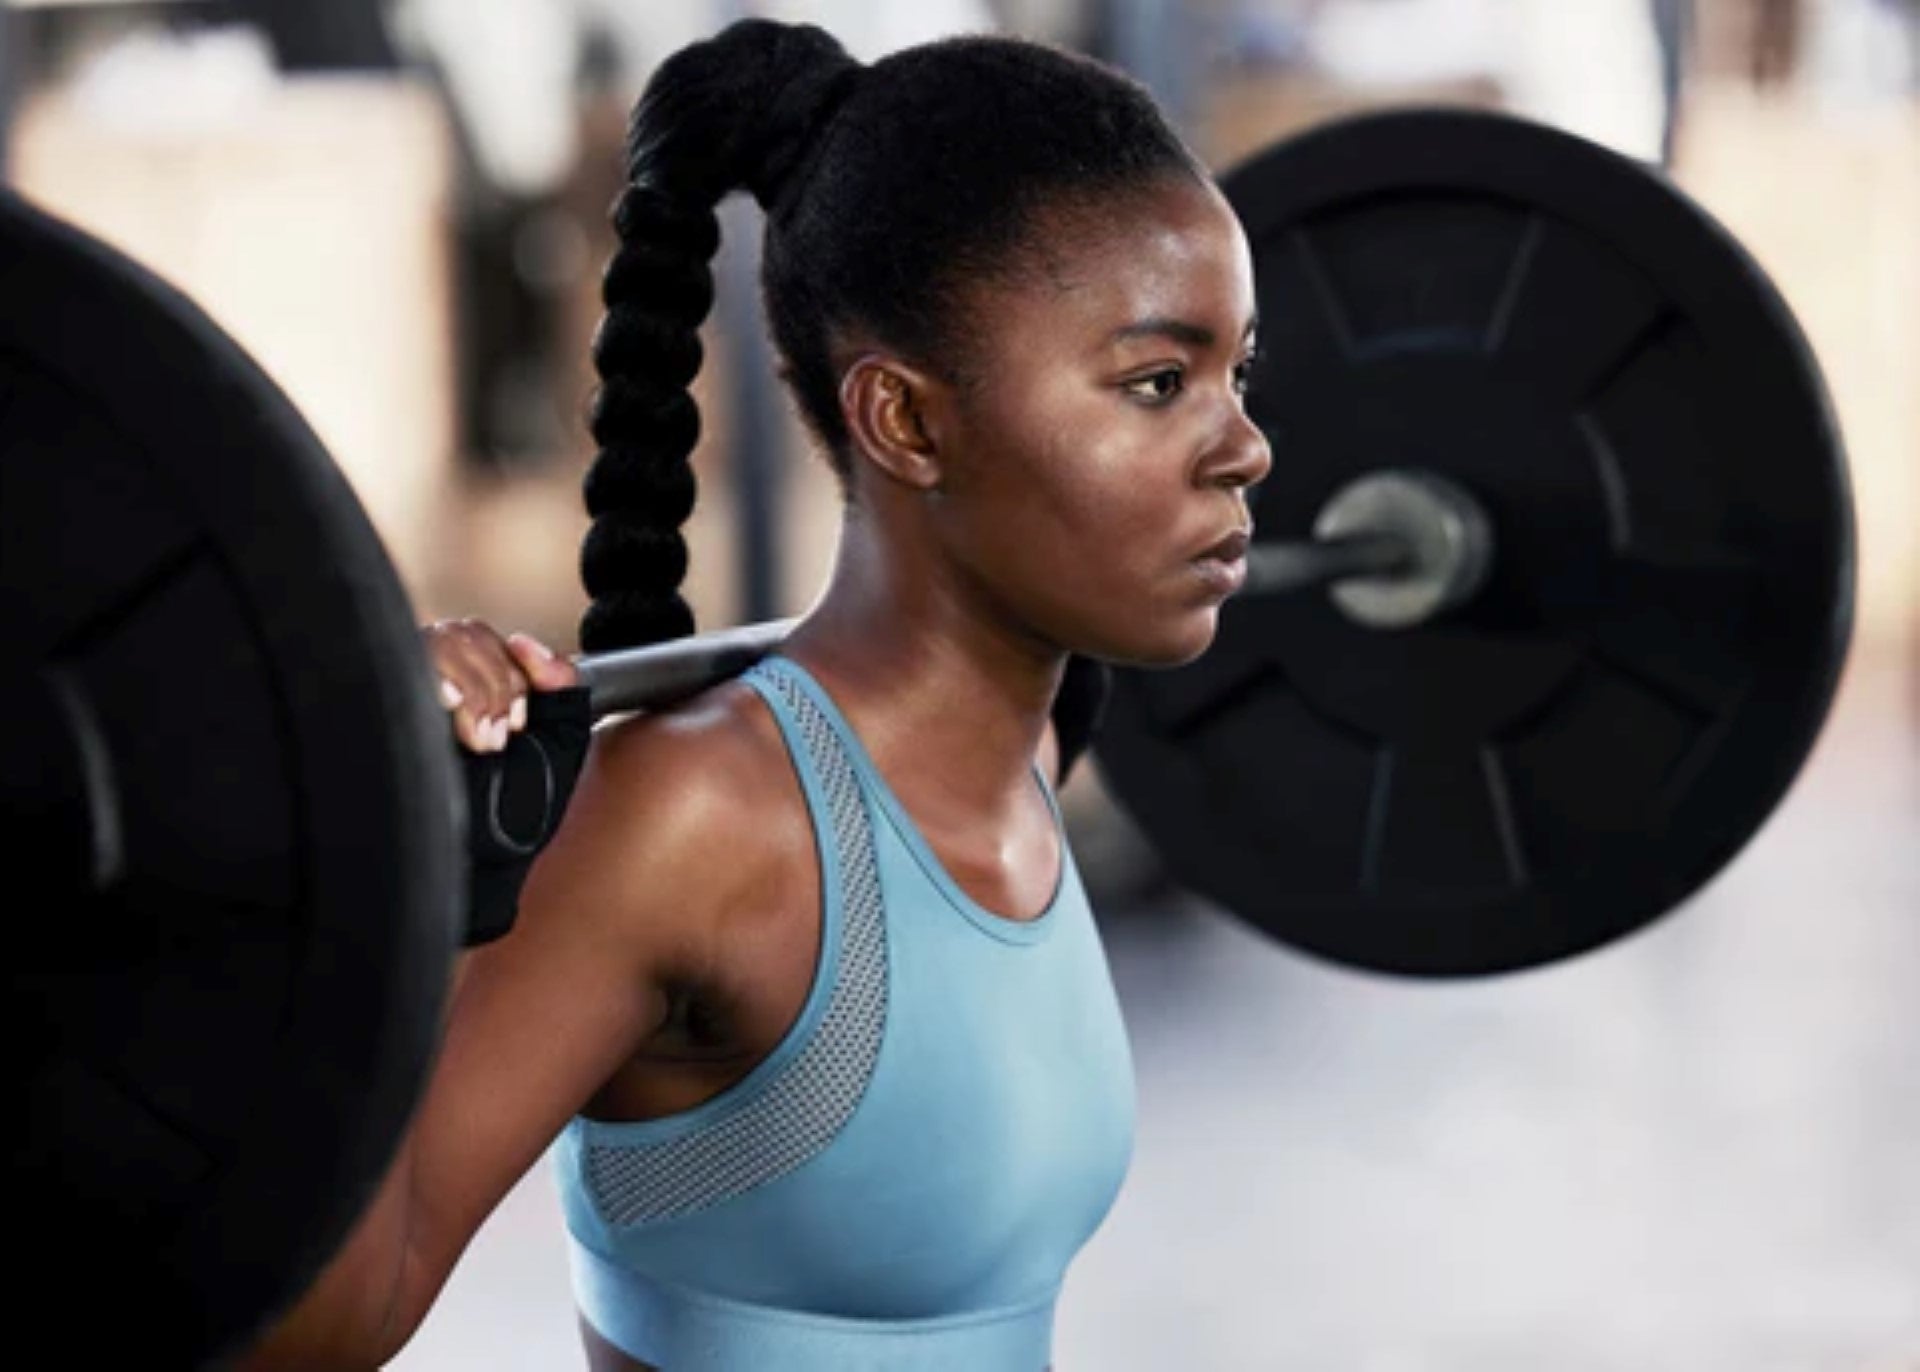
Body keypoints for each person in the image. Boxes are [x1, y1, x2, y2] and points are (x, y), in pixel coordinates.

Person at [237, 15, 1267, 1371]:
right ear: (905, 420)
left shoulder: (1016, 753)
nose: (1246, 447)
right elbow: (303, 1331)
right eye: (1155, 383)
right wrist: (399, 869)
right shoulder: (696, 818)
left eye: (1234, 373)